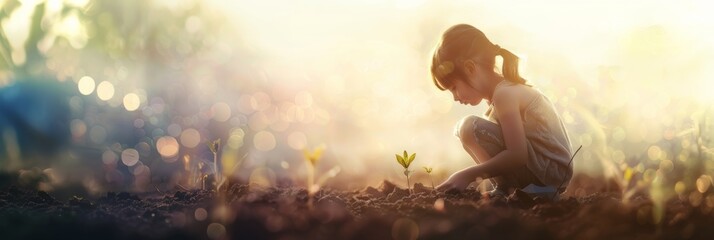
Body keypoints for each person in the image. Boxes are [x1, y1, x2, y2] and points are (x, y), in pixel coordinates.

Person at [431, 24, 573, 196]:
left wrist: (466, 175)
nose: (455, 97)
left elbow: (517, 155)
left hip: (549, 174)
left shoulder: (505, 94)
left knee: (469, 128)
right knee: (466, 129)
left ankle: (509, 189)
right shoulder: (500, 95)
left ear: (470, 68)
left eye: (454, 87)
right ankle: (507, 188)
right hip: (547, 171)